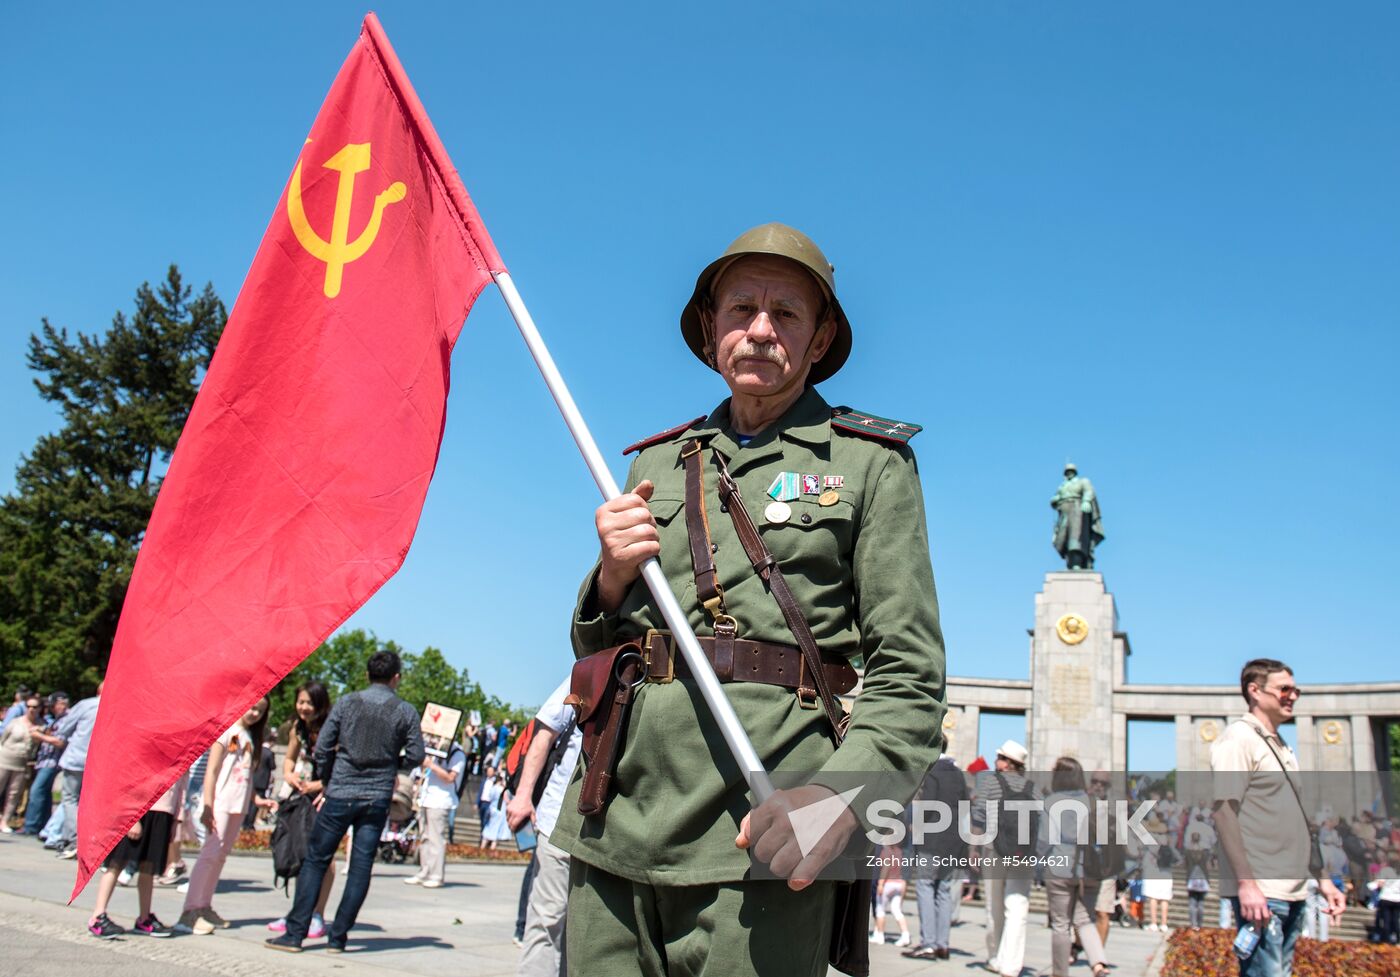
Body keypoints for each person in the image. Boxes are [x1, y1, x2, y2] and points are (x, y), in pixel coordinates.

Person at [554, 222, 946, 977]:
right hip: (616, 817)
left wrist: (837, 800)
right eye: (741, 310)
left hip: (763, 831)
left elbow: (909, 676)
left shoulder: (870, 464)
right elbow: (597, 652)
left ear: (821, 336)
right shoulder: (655, 461)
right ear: (711, 329)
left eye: (786, 314)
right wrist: (608, 575)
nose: (760, 330)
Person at [265, 649, 425, 953]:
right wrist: (394, 762)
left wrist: (327, 778)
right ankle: (338, 938)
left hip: (340, 792)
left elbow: (323, 747)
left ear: (367, 675)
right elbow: (417, 755)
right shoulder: (405, 711)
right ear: (396, 678)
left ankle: (295, 933)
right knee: (361, 865)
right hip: (376, 797)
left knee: (316, 859)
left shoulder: (348, 702)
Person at [1211, 658, 1345, 976]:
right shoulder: (1238, 739)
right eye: (1284, 688)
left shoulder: (1280, 745)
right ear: (1254, 691)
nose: (1293, 695)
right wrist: (1246, 884)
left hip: (1293, 888)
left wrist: (1324, 879)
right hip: (1263, 889)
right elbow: (1224, 812)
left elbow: (1300, 822)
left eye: (1295, 689)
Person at [508, 675, 583, 977]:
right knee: (547, 919)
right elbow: (545, 731)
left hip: (615, 834)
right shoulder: (591, 666)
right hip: (559, 822)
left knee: (587, 931)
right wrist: (524, 795)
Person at [175, 696, 270, 934]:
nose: (255, 713)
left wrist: (256, 799)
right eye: (253, 707)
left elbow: (245, 774)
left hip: (238, 805)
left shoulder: (248, 736)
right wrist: (208, 805)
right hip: (220, 802)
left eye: (260, 711)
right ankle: (190, 911)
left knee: (219, 856)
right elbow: (212, 771)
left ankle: (204, 905)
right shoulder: (227, 732)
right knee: (210, 855)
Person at [86, 772, 188, 938]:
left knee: (148, 868)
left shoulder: (184, 752)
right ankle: (98, 915)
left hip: (164, 813)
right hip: (141, 810)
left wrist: (177, 819)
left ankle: (144, 917)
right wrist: (132, 817)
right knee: (116, 864)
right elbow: (134, 776)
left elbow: (182, 786)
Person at [268, 681, 334, 938]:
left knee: (324, 860)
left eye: (309, 703)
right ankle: (299, 913)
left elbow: (341, 766)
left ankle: (317, 914)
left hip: (325, 799)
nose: (304, 707)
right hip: (301, 797)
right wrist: (288, 775)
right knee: (300, 853)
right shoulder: (298, 727)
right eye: (301, 702)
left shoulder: (332, 728)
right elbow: (289, 758)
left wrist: (320, 786)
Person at [1039, 757, 1110, 977]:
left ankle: (1060, 973)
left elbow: (1044, 840)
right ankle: (1098, 963)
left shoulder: (1051, 801)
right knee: (1083, 919)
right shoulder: (1090, 801)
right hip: (1084, 869)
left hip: (1058, 867)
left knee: (1061, 924)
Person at [974, 740, 1038, 977]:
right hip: (1024, 854)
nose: (995, 760)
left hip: (994, 850)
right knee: (1018, 907)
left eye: (999, 756)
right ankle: (1011, 964)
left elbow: (979, 815)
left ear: (1008, 762)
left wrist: (973, 848)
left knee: (994, 907)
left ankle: (995, 957)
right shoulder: (1033, 787)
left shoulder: (991, 782)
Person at [902, 754, 966, 961]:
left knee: (925, 886)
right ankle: (942, 944)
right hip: (953, 841)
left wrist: (915, 827)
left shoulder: (933, 771)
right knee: (944, 890)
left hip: (932, 840)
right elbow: (965, 808)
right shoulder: (958, 774)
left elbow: (928, 804)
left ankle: (928, 943)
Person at [405, 733, 466, 888]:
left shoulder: (457, 754)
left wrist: (431, 765)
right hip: (426, 797)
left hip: (441, 800)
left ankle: (436, 875)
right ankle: (424, 871)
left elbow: (450, 777)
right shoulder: (434, 752)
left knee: (436, 838)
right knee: (424, 836)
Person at [51, 682, 102, 858]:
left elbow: (65, 727)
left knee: (70, 799)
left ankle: (73, 840)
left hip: (77, 758)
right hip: (99, 762)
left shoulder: (86, 705)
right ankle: (89, 841)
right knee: (90, 803)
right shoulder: (118, 708)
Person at [22, 692, 68, 836]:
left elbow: (60, 742)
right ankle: (42, 825)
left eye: (56, 704)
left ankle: (31, 827)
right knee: (45, 794)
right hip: (45, 761)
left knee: (36, 791)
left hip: (52, 762)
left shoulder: (66, 719)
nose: (54, 708)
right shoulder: (57, 719)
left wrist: (39, 736)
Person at [1050, 462, 1105, 570]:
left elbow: (1089, 491)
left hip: (1077, 511)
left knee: (1075, 538)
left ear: (1075, 472)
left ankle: (1077, 563)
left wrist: (1086, 501)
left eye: (1071, 471)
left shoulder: (1082, 482)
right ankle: (1070, 562)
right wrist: (1055, 500)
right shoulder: (1063, 486)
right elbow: (1055, 497)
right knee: (1063, 539)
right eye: (1067, 471)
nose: (1069, 473)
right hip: (1064, 514)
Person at [0, 693, 40, 831]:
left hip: (22, 763)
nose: (31, 709)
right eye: (28, 706)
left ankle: (4, 821)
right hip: (5, 759)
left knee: (14, 794)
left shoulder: (40, 726)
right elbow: (3, 739)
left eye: (34, 707)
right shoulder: (15, 722)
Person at [480, 769, 511, 850]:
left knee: (489, 827)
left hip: (492, 809)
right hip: (500, 811)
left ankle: (482, 847)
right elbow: (507, 800)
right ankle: (492, 848)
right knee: (496, 829)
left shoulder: (493, 788)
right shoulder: (503, 790)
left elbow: (490, 798)